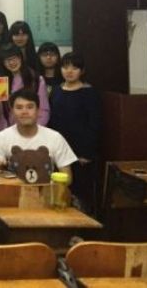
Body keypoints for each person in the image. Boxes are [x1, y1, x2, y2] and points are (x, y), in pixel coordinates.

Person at [49, 53, 102, 214]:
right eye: (65, 67)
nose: (69, 71)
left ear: (82, 71)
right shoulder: (56, 90)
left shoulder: (89, 92)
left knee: (80, 194)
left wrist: (87, 153)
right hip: (58, 149)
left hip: (80, 152)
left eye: (74, 68)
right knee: (60, 193)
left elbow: (95, 124)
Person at [0, 89, 77, 182]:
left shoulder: (55, 137)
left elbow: (68, 178)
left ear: (38, 110)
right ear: (12, 111)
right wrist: (1, 166)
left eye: (30, 107)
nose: (24, 112)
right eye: (19, 107)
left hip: (47, 190)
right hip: (11, 190)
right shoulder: (1, 138)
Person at [0, 44, 50, 130]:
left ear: (21, 58)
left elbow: (44, 110)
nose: (11, 63)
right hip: (9, 132)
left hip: (33, 130)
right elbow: (0, 113)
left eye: (14, 58)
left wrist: (33, 130)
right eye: (7, 60)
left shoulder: (36, 79)